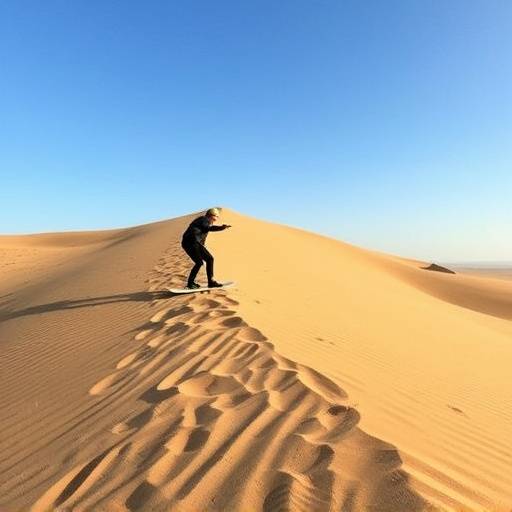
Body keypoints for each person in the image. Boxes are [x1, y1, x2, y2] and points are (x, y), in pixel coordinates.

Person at [181, 208, 231, 289]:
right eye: (216, 217)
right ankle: (210, 282)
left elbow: (202, 234)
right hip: (192, 242)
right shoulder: (204, 220)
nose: (216, 219)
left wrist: (202, 246)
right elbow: (208, 228)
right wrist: (221, 227)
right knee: (209, 259)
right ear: (212, 215)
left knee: (199, 262)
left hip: (187, 243)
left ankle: (191, 283)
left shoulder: (202, 221)